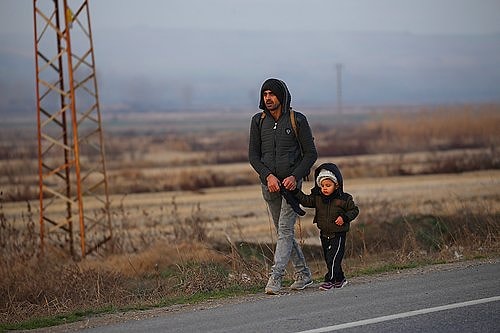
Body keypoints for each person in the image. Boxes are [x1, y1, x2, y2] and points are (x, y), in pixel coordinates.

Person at [248, 78, 318, 294]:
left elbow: (310, 154)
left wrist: (294, 176)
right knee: (282, 232)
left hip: (290, 188)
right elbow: (253, 156)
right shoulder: (258, 121)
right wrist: (268, 176)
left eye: (272, 94)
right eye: (265, 94)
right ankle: (304, 274)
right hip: (269, 186)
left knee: (285, 230)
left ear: (282, 96)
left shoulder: (297, 120)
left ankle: (275, 278)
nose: (268, 98)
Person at [293, 163, 359, 290]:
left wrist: (344, 218)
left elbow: (354, 210)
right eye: (322, 186)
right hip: (324, 233)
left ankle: (330, 280)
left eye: (328, 186)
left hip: (338, 234)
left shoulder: (344, 199)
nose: (325, 188)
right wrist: (295, 191)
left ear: (336, 185)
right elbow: (306, 200)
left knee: (334, 258)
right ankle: (340, 279)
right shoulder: (318, 198)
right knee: (329, 258)